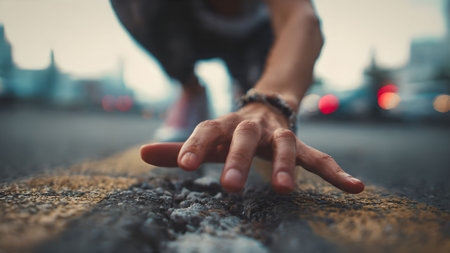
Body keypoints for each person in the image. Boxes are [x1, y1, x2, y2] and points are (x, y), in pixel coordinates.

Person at [111, 0, 365, 194]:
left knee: (255, 123)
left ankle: (245, 96)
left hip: (259, 36)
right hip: (185, 26)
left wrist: (269, 103)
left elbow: (301, 19)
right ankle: (192, 89)